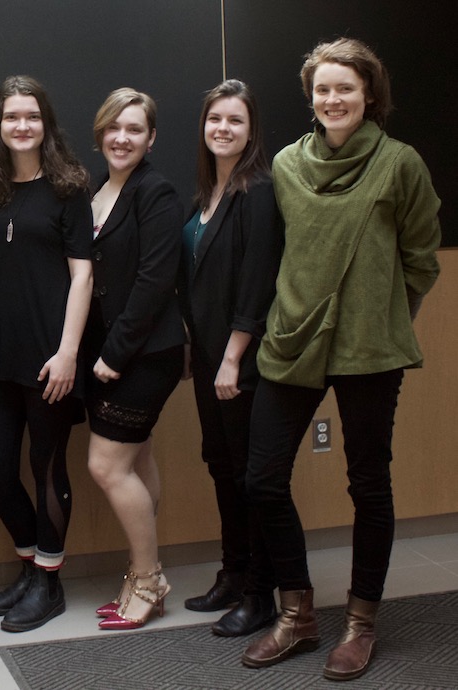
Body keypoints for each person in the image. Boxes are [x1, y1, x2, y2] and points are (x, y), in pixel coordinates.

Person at [241, 38, 441, 681]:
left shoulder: (400, 163)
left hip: (367, 348)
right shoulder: (286, 165)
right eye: (322, 89)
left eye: (345, 89)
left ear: (369, 96)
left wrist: (383, 319)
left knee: (368, 485)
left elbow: (421, 257)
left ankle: (360, 624)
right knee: (263, 479)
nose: (333, 99)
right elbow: (276, 253)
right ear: (310, 98)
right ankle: (296, 615)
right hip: (291, 336)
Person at [0, 75, 93, 633]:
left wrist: (69, 353)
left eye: (32, 116)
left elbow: (83, 276)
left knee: (47, 469)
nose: (21, 126)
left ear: (46, 124)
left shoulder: (70, 188)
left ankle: (49, 582)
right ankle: (29, 564)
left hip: (51, 359)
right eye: (11, 117)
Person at [178, 79, 284, 636]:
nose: (222, 128)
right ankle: (234, 573)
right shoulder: (204, 198)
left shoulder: (258, 191)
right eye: (214, 118)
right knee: (221, 465)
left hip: (241, 362)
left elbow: (257, 282)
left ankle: (262, 593)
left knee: (250, 475)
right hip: (209, 358)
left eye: (235, 120)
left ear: (251, 130)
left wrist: (232, 359)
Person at [84, 88, 185, 631]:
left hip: (144, 353)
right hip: (107, 353)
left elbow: (154, 280)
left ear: (151, 139)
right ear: (100, 133)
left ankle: (149, 580)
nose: (122, 138)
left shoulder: (156, 191)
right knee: (138, 462)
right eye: (113, 128)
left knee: (107, 465)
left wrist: (113, 356)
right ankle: (139, 574)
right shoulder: (99, 189)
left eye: (135, 130)